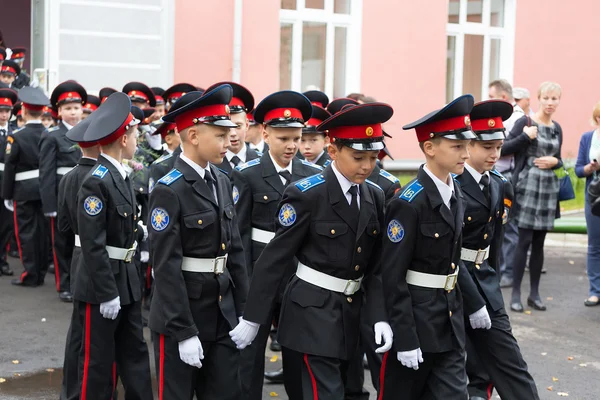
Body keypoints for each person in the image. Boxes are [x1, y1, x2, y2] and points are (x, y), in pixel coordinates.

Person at [231, 102, 395, 399]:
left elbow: (375, 268)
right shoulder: (306, 194)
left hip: (352, 315)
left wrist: (380, 316)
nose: (367, 166)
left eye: (373, 157)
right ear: (333, 151)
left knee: (352, 390)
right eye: (359, 157)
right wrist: (253, 317)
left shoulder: (374, 195)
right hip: (310, 315)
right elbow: (274, 259)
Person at [379, 94, 489, 399]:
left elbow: (451, 261)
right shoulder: (408, 203)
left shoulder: (455, 192)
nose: (465, 154)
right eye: (456, 146)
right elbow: (393, 275)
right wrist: (405, 337)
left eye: (466, 145)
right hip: (416, 321)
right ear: (429, 148)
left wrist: (475, 302)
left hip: (449, 320)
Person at [147, 84, 249, 399]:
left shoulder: (221, 179)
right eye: (219, 135)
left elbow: (235, 252)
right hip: (183, 315)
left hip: (222, 312)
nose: (228, 140)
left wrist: (245, 311)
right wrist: (184, 331)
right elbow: (165, 266)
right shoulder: (169, 188)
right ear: (193, 136)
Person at [231, 90, 323, 399]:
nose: (292, 146)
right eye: (284, 138)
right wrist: (244, 283)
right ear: (266, 133)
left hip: (298, 279)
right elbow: (238, 236)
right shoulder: (247, 175)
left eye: (297, 138)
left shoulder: (312, 175)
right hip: (258, 273)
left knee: (298, 353)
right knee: (250, 355)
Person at [72, 92, 153, 399]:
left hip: (127, 280)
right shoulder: (97, 180)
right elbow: (92, 244)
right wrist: (107, 292)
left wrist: (139, 232)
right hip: (101, 286)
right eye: (134, 134)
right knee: (98, 363)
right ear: (122, 139)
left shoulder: (120, 174)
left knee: (134, 355)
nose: (137, 140)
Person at [458, 100, 540, 400]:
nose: (495, 154)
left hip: (484, 279)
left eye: (499, 146)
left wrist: (490, 285)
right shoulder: (451, 185)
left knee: (509, 359)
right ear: (469, 144)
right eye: (487, 147)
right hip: (452, 284)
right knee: (452, 363)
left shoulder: (499, 184)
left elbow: (493, 243)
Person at [502, 81, 564, 312]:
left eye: (554, 99)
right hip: (527, 187)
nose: (550, 103)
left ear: (558, 101)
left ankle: (534, 294)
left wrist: (556, 161)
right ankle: (516, 294)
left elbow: (559, 158)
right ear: (538, 98)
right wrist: (525, 137)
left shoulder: (557, 128)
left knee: (539, 244)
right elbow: (503, 148)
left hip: (548, 189)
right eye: (546, 98)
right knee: (523, 241)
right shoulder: (525, 122)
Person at [40, 80, 87, 302]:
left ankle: (79, 281)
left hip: (86, 196)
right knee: (62, 243)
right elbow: (47, 173)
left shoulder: (89, 133)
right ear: (59, 111)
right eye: (68, 108)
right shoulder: (52, 136)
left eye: (76, 108)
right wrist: (49, 204)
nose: (73, 113)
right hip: (61, 197)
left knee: (83, 242)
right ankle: (64, 284)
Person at [2, 87, 51, 287]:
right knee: (43, 233)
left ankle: (30, 274)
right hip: (45, 189)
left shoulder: (17, 136)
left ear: (22, 110)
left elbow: (10, 167)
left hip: (23, 190)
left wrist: (7, 194)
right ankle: (40, 272)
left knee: (26, 233)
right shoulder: (50, 134)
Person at [488, 79, 525, 288]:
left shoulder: (518, 119)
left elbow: (508, 147)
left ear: (503, 97)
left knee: (508, 226)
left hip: (508, 177)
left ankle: (508, 272)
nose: (489, 100)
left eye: (492, 96)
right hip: (495, 174)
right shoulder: (501, 117)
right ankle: (499, 268)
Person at [575, 101, 600, 307]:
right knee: (594, 245)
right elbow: (577, 170)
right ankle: (595, 291)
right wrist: (591, 168)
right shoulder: (587, 138)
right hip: (594, 195)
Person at [206, 82, 260, 175]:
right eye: (227, 128)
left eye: (238, 126)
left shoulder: (261, 162)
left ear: (247, 125)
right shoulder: (209, 163)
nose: (233, 133)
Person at [0, 87, 18, 277]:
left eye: (7, 111)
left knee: (5, 225)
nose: (4, 115)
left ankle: (2, 261)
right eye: (1, 111)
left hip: (8, 183)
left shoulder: (15, 132)